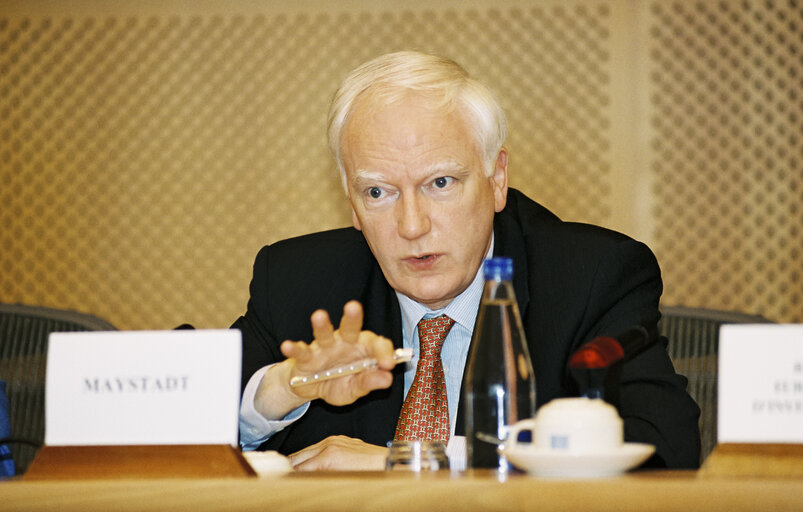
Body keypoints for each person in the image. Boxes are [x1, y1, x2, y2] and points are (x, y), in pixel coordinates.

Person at [233, 51, 700, 471]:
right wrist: (284, 388)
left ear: (497, 178)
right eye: (378, 192)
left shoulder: (591, 276)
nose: (412, 226)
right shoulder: (297, 281)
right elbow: (177, 431)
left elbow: (663, 449)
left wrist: (412, 463)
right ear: (351, 203)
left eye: (440, 183)